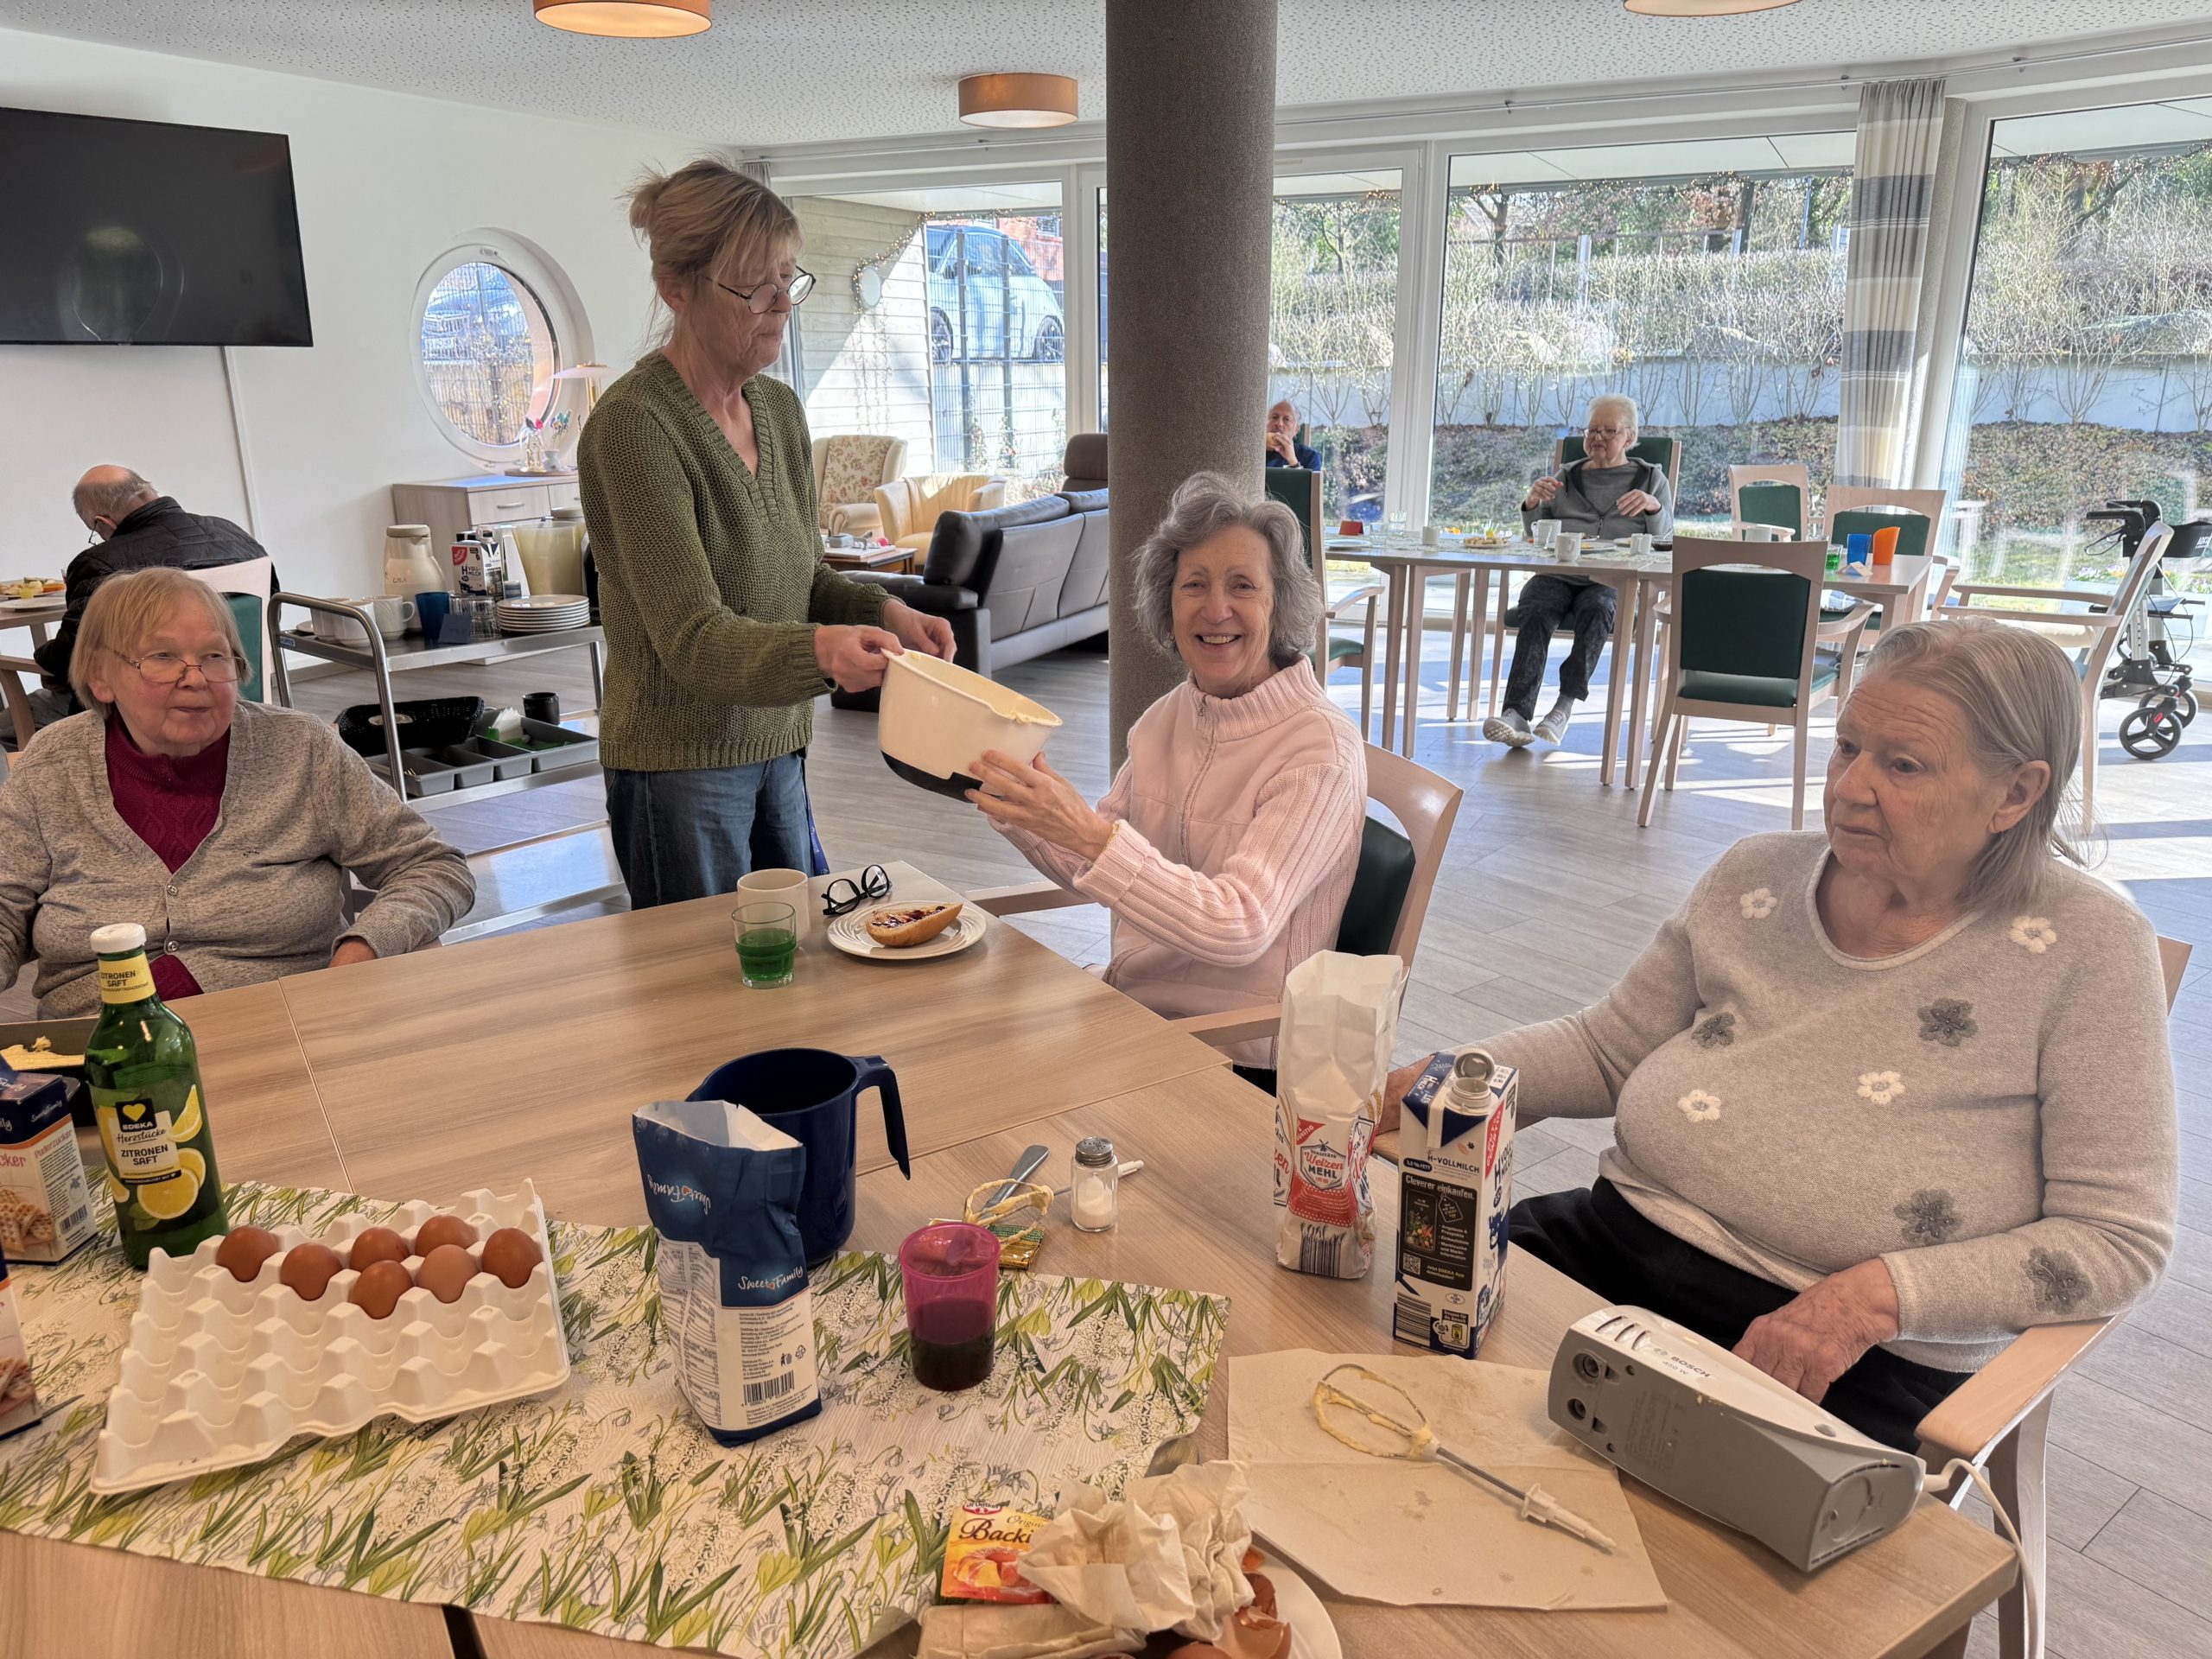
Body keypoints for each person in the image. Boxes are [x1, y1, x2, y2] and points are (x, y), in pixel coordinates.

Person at [1389, 620, 2176, 1452]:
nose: (1850, 787)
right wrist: (1438, 1085)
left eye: (1903, 765)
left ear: (2015, 793)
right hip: (1610, 1250)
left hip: (1844, 1355)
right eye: (1847, 747)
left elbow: (2118, 1239)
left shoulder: (2088, 947)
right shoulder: (1756, 874)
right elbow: (1608, 1049)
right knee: (1375, 1382)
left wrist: (1873, 1299)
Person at [578, 159, 955, 906]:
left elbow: (803, 577)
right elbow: (692, 638)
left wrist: (884, 611)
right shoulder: (635, 427)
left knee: (801, 955)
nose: (783, 303)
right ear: (676, 288)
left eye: (788, 278)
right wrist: (823, 652)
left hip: (779, 745)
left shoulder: (779, 411)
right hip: (678, 767)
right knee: (707, 975)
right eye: (756, 286)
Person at [964, 473, 1365, 1077]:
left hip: (1242, 1054)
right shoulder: (1167, 717)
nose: (1216, 609)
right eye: (1194, 584)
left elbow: (1240, 924)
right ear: (1167, 603)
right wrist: (1017, 802)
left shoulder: (1319, 752)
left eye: (1243, 586)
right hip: (1135, 1014)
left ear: (1280, 604)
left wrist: (1090, 836)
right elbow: (1091, 867)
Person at [0, 569, 474, 1016]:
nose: (195, 678)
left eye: (214, 656)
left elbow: (432, 867)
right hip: (100, 1044)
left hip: (289, 1026)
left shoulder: (300, 749)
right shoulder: (53, 764)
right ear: (100, 676)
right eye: (163, 657)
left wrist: (366, 947)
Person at [1484, 394, 1675, 749]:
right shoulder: (1566, 476)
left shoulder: (1651, 479)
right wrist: (1531, 503)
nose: (1597, 438)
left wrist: (1653, 507)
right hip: (1559, 574)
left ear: (1630, 437)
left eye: (1609, 431)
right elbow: (1536, 537)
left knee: (1599, 607)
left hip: (1611, 580)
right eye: (1592, 430)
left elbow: (1666, 541)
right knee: (1535, 604)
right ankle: (1516, 713)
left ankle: (1563, 707)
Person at [31, 466, 270, 722]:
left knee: (14, 721)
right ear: (150, 492)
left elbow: (77, 655)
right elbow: (270, 612)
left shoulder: (101, 563)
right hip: (237, 692)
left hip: (135, 715)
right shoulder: (234, 535)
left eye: (95, 531)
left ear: (103, 522)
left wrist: (42, 658)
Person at [1264, 400, 1320, 471]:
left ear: (1296, 430)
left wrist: (1292, 461)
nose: (1279, 424)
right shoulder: (1253, 449)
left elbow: (1310, 478)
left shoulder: (1310, 457)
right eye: (1275, 417)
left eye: (1286, 419)